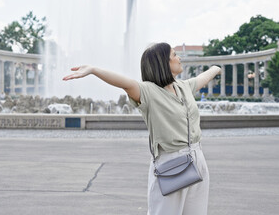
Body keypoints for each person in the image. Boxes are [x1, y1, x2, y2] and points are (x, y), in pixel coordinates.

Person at [63, 42, 221, 215]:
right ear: (163, 63)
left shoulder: (183, 87)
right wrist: (94, 70)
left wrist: (215, 67)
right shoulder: (148, 92)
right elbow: (125, 83)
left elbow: (204, 77)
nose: (179, 58)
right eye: (175, 55)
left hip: (197, 158)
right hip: (171, 163)